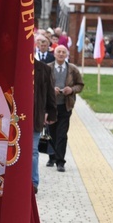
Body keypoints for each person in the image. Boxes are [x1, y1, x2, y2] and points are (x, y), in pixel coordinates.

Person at [46, 45, 84, 172]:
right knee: (52, 133)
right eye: (59, 52)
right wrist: (52, 90)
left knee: (62, 134)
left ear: (66, 55)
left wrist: (71, 90)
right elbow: (41, 85)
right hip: (51, 107)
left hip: (65, 106)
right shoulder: (48, 68)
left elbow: (80, 85)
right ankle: (52, 157)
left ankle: (60, 161)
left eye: (63, 52)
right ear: (55, 54)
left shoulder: (72, 69)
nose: (61, 54)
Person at [32, 58, 56, 193]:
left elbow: (49, 93)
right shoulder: (13, 65)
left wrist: (50, 112)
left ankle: (33, 182)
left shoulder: (43, 69)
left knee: (33, 151)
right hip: (14, 118)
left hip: (35, 116)